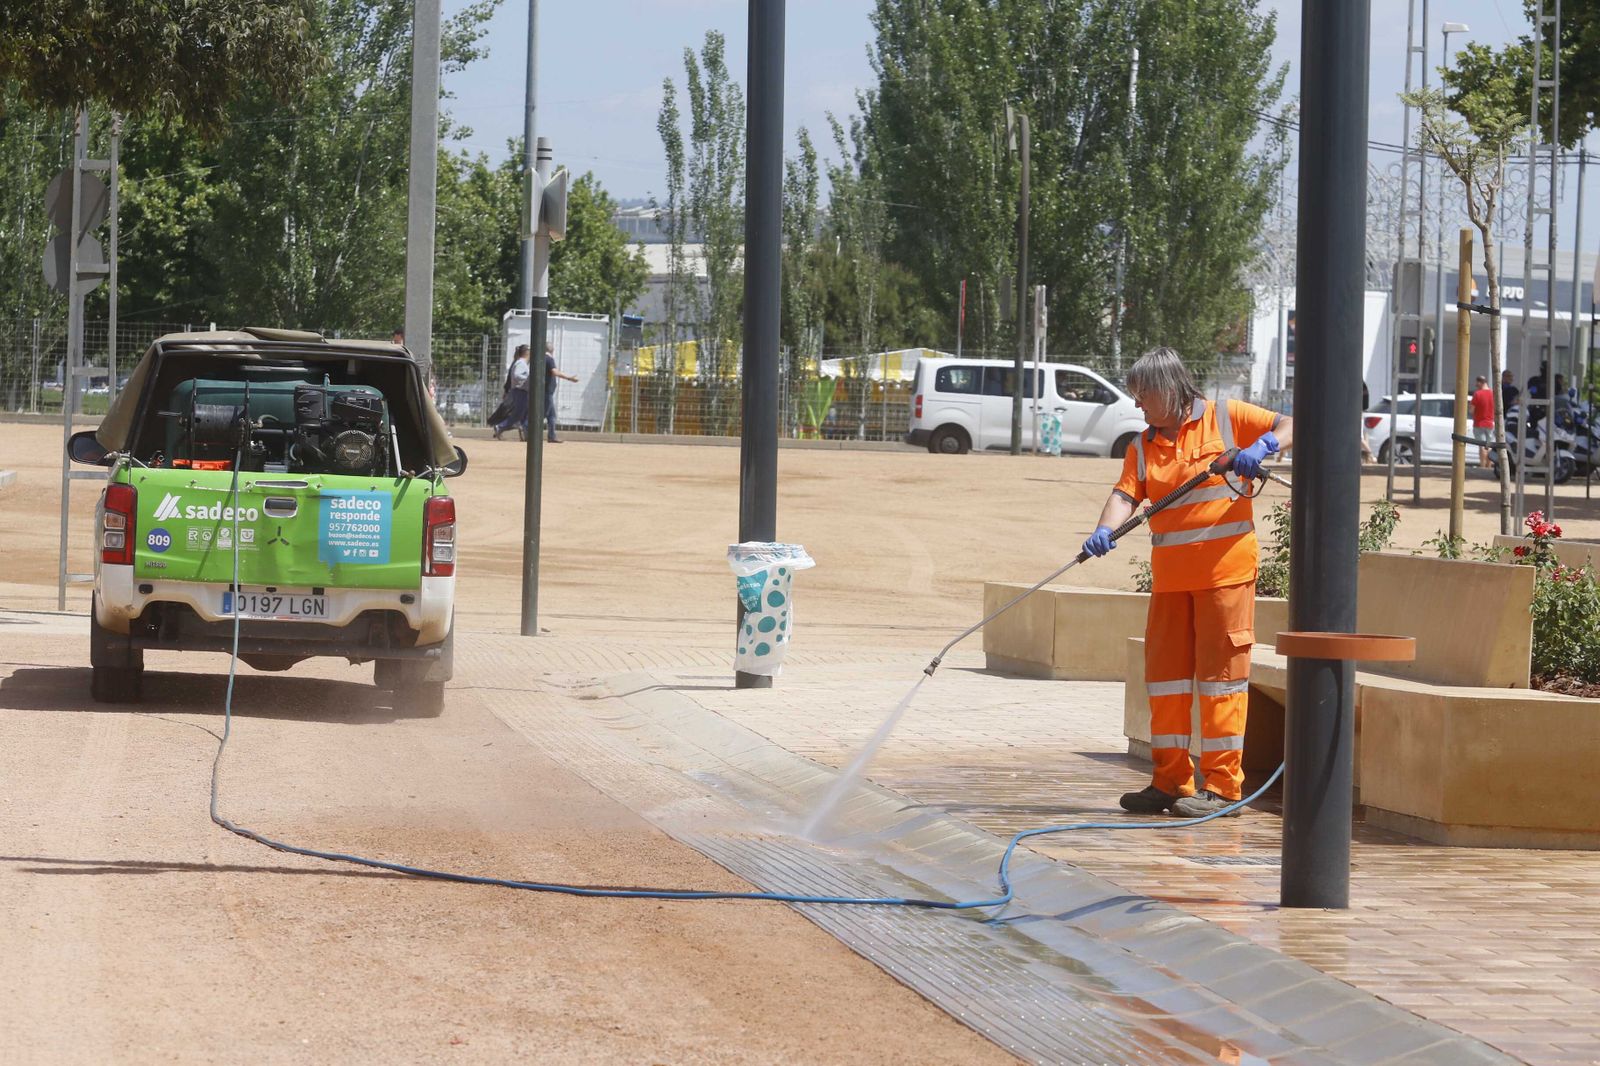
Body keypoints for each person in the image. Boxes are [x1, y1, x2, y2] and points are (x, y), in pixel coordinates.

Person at [1082, 347, 1294, 818]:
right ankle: (1170, 782)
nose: (1137, 405)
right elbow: (1124, 494)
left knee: (1221, 682)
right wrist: (1103, 529)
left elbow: (1291, 424)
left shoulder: (1227, 418)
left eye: (1142, 395)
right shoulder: (1142, 446)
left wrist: (1264, 446)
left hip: (1226, 576)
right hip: (1171, 584)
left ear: (1167, 390)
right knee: (1166, 681)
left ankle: (1222, 789)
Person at [541, 342, 579, 443]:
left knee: (551, 415)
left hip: (545, 390)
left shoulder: (541, 358)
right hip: (547, 391)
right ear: (552, 350)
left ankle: (552, 436)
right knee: (543, 414)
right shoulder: (549, 359)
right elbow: (555, 372)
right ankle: (527, 428)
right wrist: (569, 378)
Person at [491, 345, 531, 440]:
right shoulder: (521, 363)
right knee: (518, 415)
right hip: (520, 391)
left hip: (520, 391)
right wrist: (528, 378)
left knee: (523, 415)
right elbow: (517, 375)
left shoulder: (520, 362)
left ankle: (526, 435)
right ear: (527, 353)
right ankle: (500, 426)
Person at [1470, 375, 1495, 469]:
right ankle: (1489, 466)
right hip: (1491, 423)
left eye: (1477, 383)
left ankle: (1482, 466)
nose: (1476, 385)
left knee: (1482, 446)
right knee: (1489, 446)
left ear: (1480, 382)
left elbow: (1471, 410)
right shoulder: (1493, 394)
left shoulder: (1477, 394)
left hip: (1479, 423)